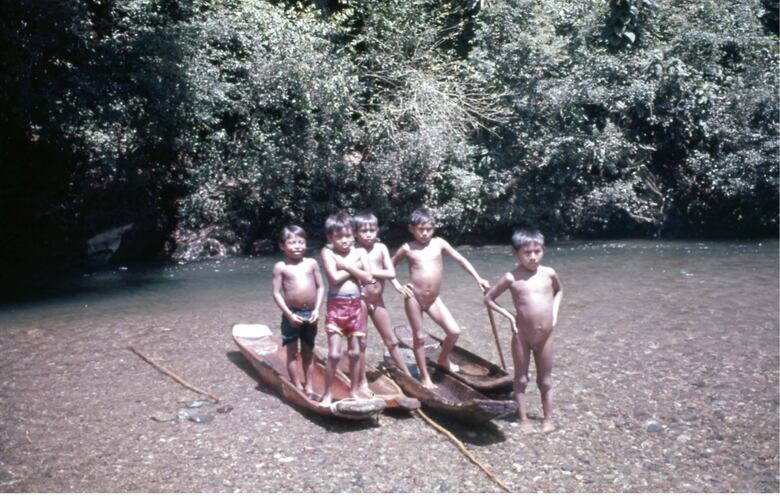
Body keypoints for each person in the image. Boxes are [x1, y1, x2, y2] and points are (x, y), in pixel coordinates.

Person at [391, 207, 489, 389]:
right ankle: (425, 378)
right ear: (411, 229)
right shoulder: (407, 248)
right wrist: (398, 285)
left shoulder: (439, 243)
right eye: (421, 229)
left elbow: (461, 260)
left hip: (433, 299)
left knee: (454, 331)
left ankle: (443, 359)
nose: (425, 233)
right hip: (414, 298)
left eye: (429, 229)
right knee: (419, 338)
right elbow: (388, 267)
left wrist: (478, 278)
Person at [483, 228, 563, 433]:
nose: (533, 257)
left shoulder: (549, 273)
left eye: (538, 251)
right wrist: (509, 316)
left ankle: (548, 418)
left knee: (545, 380)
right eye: (527, 253)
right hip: (522, 335)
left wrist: (554, 313)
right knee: (521, 379)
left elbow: (559, 291)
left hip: (546, 335)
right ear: (515, 253)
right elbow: (489, 299)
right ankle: (523, 419)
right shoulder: (512, 278)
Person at [320, 211, 374, 406]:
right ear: (330, 237)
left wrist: (346, 265)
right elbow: (333, 279)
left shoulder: (360, 252)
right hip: (337, 305)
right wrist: (355, 266)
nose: (344, 241)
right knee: (334, 354)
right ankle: (327, 393)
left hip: (356, 305)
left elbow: (368, 278)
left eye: (348, 236)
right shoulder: (327, 252)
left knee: (354, 352)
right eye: (339, 237)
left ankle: (353, 390)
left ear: (354, 235)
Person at [352, 211, 413, 377]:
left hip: (378, 300)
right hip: (360, 301)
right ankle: (361, 379)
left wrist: (367, 271)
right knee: (362, 342)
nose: (368, 235)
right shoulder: (353, 252)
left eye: (372, 230)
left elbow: (391, 273)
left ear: (377, 231)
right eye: (363, 231)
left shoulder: (381, 248)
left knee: (392, 340)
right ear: (355, 233)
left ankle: (406, 375)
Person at [271, 225, 324, 399]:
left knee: (308, 350)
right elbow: (276, 293)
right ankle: (297, 385)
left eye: (300, 242)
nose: (297, 246)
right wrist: (288, 314)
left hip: (311, 313)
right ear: (282, 246)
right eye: (292, 243)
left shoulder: (312, 263)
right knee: (292, 352)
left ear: (306, 243)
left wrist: (317, 310)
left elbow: (321, 287)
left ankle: (309, 386)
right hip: (291, 314)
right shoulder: (281, 267)